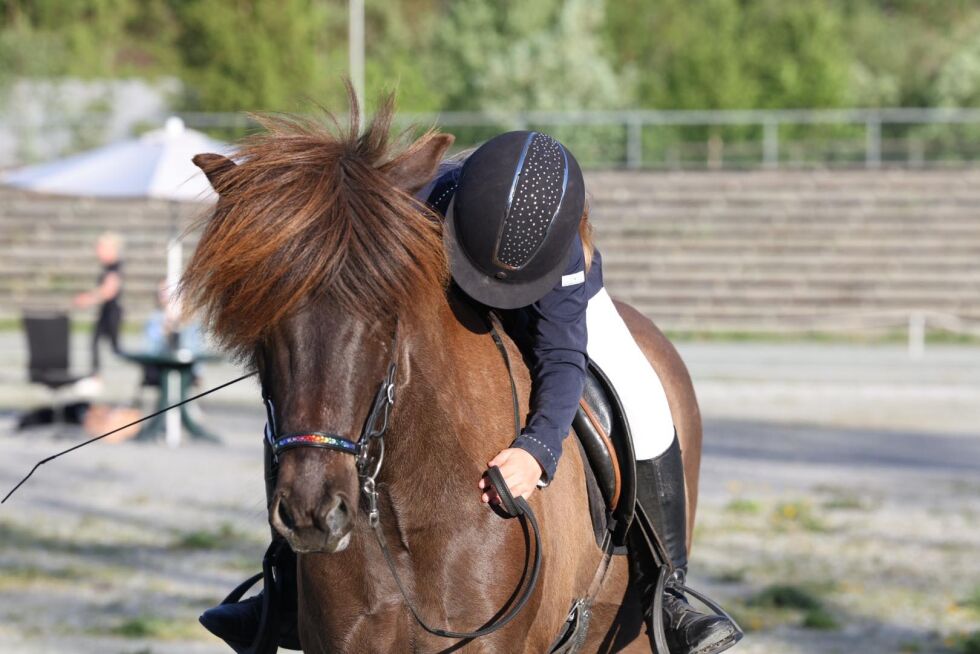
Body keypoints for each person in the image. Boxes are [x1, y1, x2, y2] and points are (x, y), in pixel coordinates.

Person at [201, 132, 740, 654]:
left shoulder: (567, 256)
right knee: (315, 389)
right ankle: (284, 585)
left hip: (550, 306)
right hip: (443, 279)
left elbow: (561, 354)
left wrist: (539, 449)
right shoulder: (420, 205)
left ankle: (665, 593)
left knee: (644, 398)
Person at [73, 232, 124, 377]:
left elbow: (109, 290)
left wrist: (88, 299)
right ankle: (95, 375)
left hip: (112, 312)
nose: (97, 251)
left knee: (116, 348)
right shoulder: (109, 267)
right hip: (106, 311)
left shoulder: (114, 267)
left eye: (100, 247)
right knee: (95, 342)